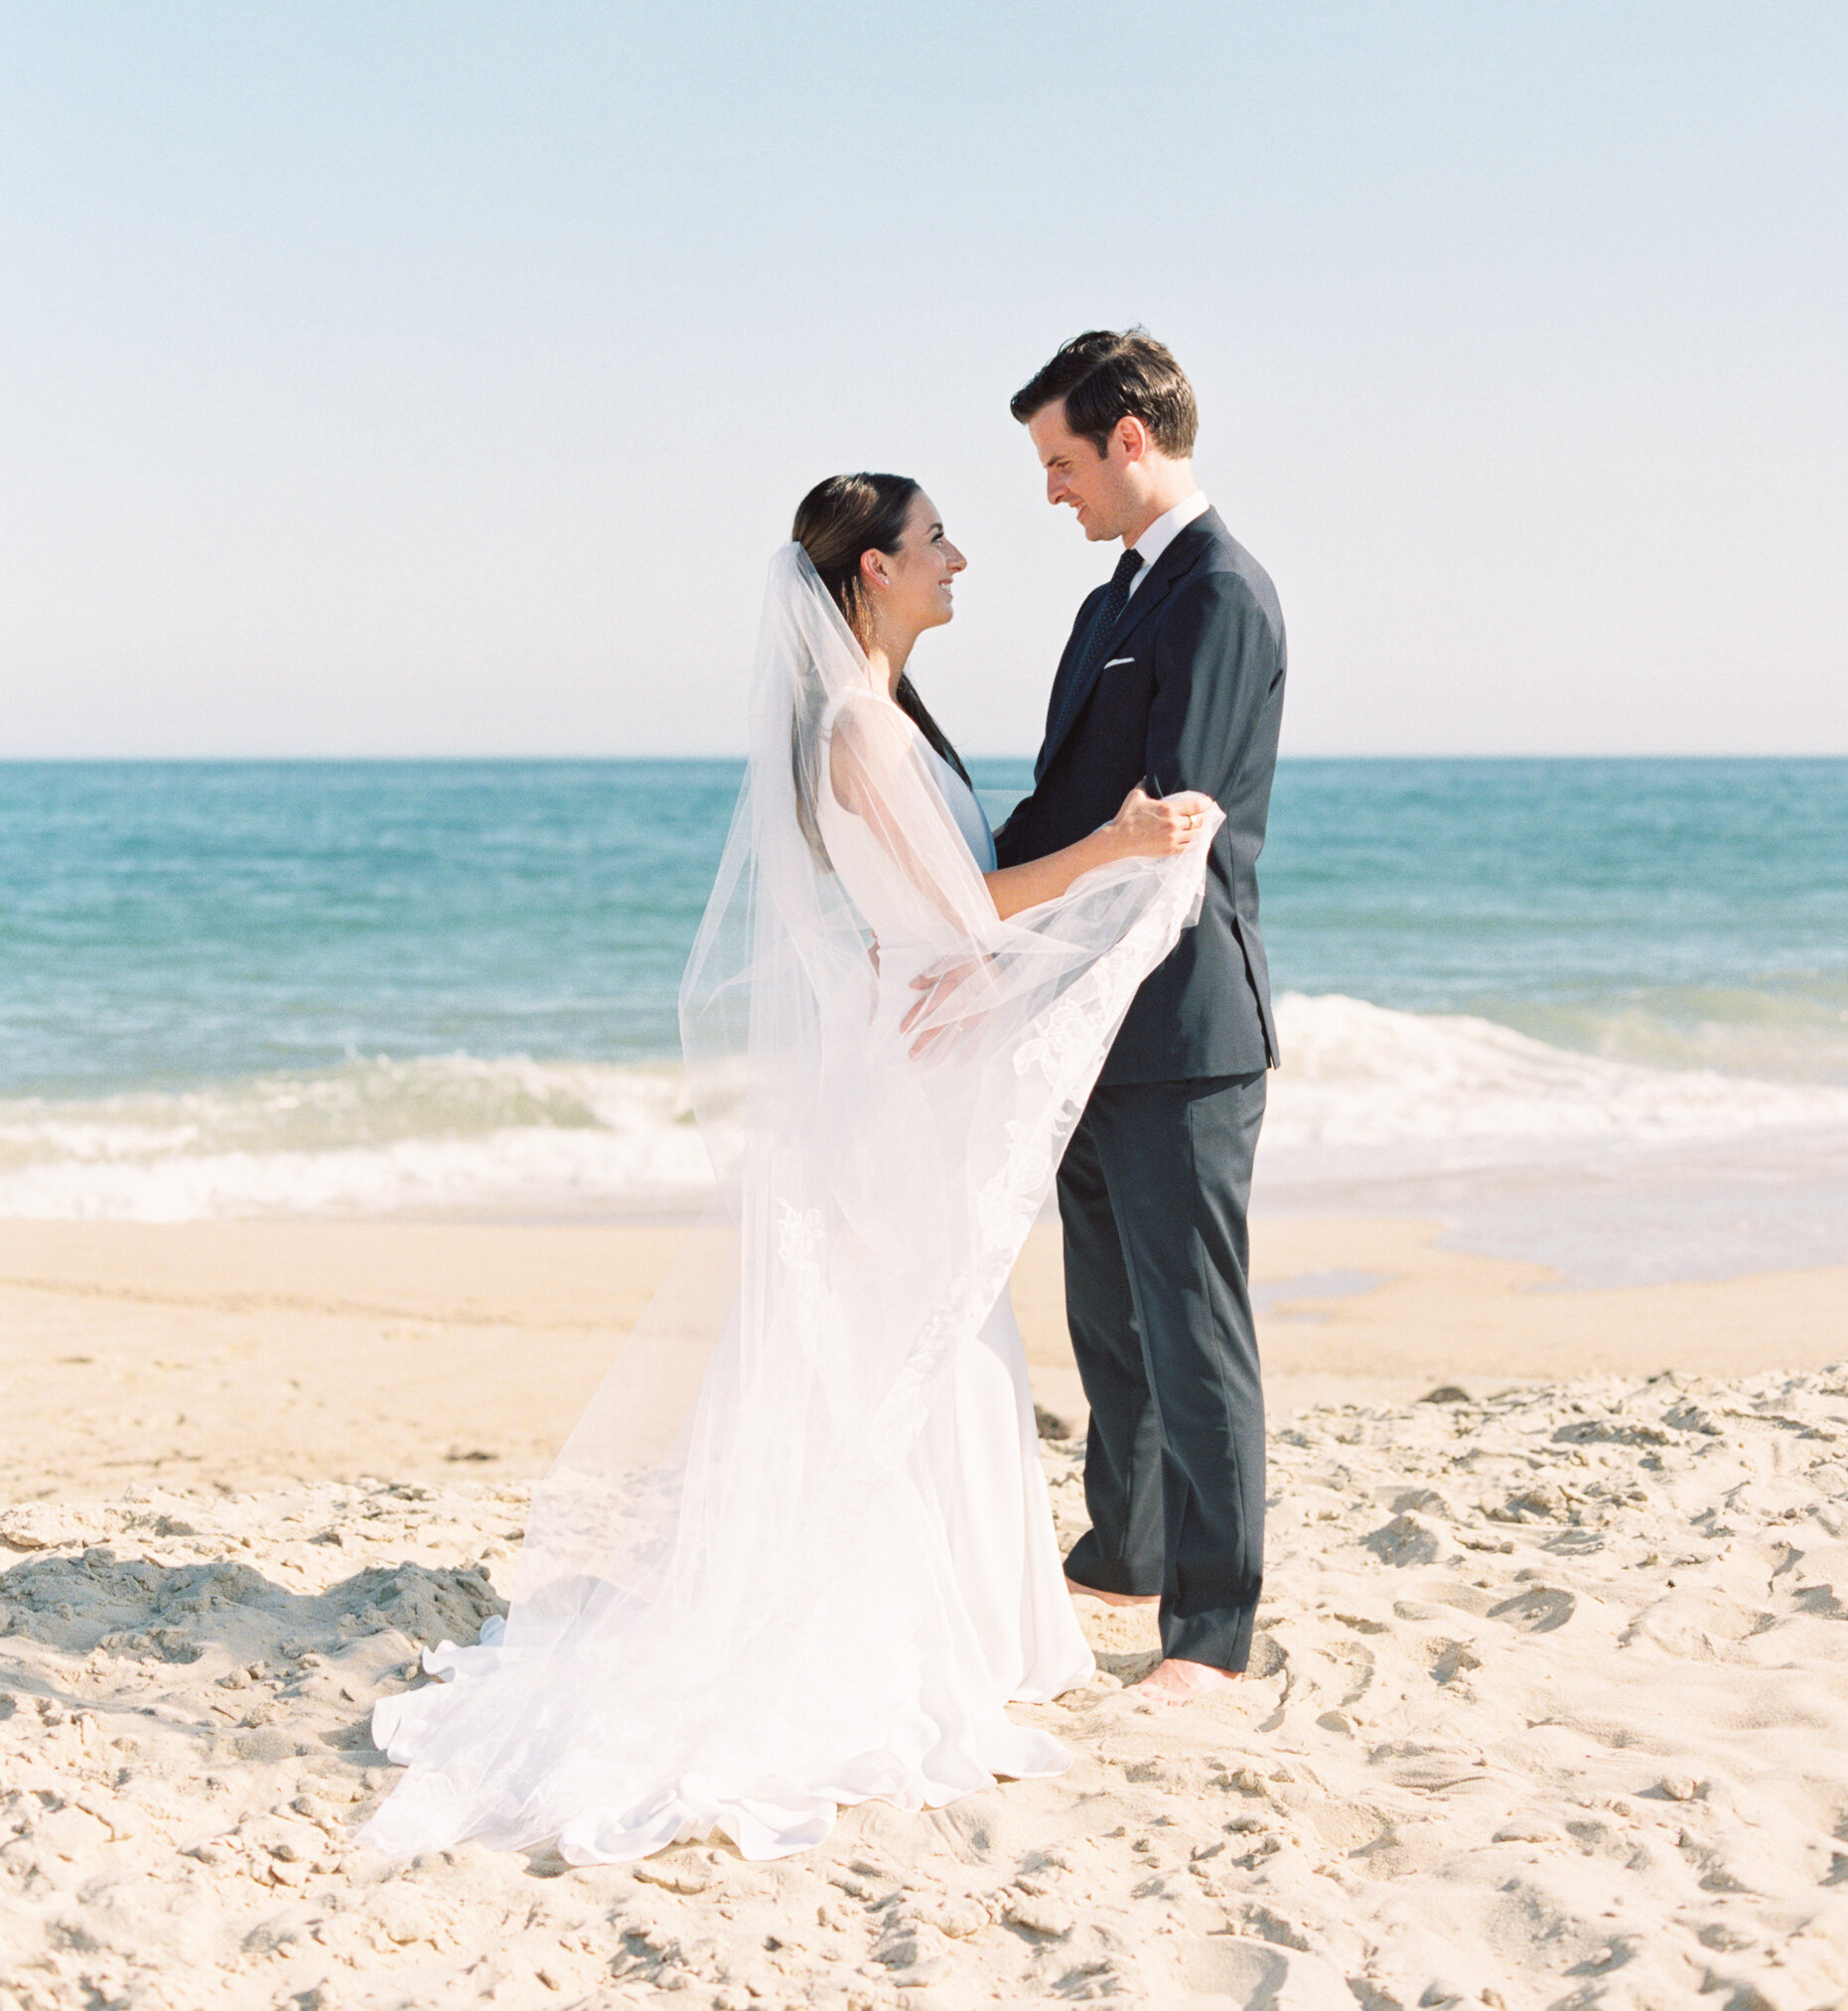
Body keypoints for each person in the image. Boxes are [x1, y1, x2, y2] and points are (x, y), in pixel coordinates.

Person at [359, 472, 1218, 1866]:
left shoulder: (882, 722)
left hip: (905, 1063)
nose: (959, 558)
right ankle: (925, 1629)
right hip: (893, 1094)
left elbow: (922, 919)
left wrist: (968, 935)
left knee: (939, 1340)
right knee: (914, 1344)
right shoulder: (856, 732)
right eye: (935, 539)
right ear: (872, 570)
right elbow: (952, 911)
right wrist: (1117, 848)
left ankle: (981, 1626)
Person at [992, 332, 1286, 1703]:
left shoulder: (1221, 594)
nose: (1049, 491)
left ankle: (1211, 1634)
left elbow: (1174, 829)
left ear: (1125, 438)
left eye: (1058, 461)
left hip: (1178, 1031)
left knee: (1190, 1323)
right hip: (1082, 1027)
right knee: (1107, 1316)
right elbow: (1063, 811)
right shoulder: (1109, 602)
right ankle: (1124, 1551)